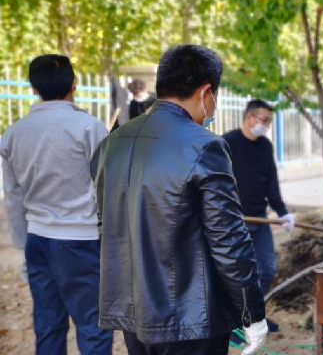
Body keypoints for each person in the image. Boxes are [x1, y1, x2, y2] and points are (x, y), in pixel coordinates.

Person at [90, 45, 269, 355]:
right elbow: (229, 240)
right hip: (191, 319)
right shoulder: (206, 146)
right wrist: (252, 313)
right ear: (205, 92)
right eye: (215, 98)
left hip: (135, 315)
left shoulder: (111, 144)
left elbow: (107, 224)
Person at [0, 54, 113, 354]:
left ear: (33, 89)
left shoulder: (12, 134)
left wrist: (24, 245)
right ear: (73, 84)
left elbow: (12, 199)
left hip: (38, 241)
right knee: (93, 327)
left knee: (48, 328)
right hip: (81, 242)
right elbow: (106, 189)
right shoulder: (88, 127)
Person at [223, 99, 296, 332]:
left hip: (259, 219)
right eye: (263, 120)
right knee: (235, 273)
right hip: (234, 222)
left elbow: (270, 183)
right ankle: (231, 321)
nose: (266, 125)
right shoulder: (228, 143)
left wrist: (283, 213)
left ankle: (253, 317)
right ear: (249, 118)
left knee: (266, 270)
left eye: (269, 121)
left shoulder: (265, 146)